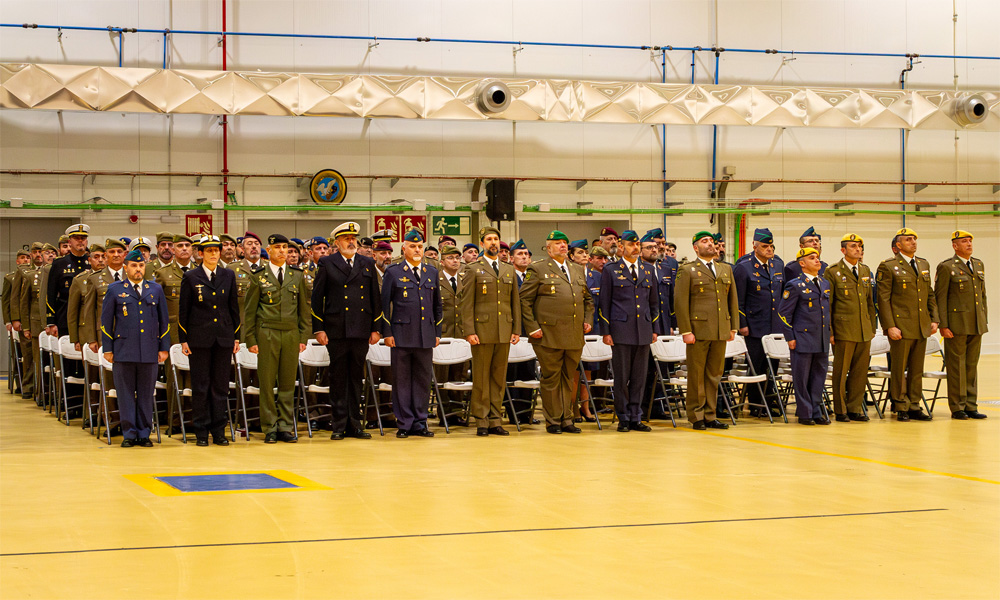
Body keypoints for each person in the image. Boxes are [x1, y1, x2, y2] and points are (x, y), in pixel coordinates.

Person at [519, 230, 595, 434]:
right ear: (548, 247)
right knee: (551, 378)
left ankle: (567, 419)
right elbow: (524, 300)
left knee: (568, 377)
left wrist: (587, 320)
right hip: (547, 333)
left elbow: (588, 300)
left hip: (573, 334)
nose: (562, 246)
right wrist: (532, 327)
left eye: (565, 243)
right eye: (558, 243)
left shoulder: (577, 269)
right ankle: (553, 420)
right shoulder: (538, 269)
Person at [311, 222, 381, 440]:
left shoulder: (367, 263)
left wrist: (376, 328)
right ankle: (339, 424)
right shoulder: (326, 263)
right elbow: (317, 299)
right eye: (346, 238)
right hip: (337, 329)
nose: (351, 242)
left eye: (354, 238)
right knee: (339, 378)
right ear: (337, 242)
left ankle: (355, 424)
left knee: (356, 379)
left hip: (360, 329)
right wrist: (318, 329)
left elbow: (374, 298)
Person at [243, 234, 310, 443]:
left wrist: (303, 336)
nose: (282, 251)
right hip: (267, 333)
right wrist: (251, 340)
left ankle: (285, 427)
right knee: (267, 382)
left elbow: (304, 310)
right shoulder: (258, 275)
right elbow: (250, 311)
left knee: (288, 383)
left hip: (290, 333)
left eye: (285, 248)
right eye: (277, 247)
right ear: (269, 250)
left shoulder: (297, 275)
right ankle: (269, 427)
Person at [100, 249, 170, 447]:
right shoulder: (115, 289)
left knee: (146, 394)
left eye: (140, 265)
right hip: (124, 350)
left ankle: (144, 433)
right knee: (126, 394)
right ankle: (129, 434)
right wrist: (108, 348)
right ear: (126, 268)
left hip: (149, 349)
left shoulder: (155, 289)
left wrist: (163, 347)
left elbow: (164, 321)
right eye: (133, 265)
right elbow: (106, 322)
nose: (138, 269)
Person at [458, 226, 521, 436]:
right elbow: (465, 303)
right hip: (482, 331)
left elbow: (515, 303)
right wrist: (469, 330)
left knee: (498, 377)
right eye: (489, 239)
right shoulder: (473, 268)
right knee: (482, 377)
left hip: (504, 330)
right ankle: (482, 420)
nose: (493, 242)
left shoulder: (508, 269)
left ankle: (496, 419)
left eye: (496, 239)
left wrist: (516, 329)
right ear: (482, 243)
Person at [179, 236, 241, 446]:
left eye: (216, 250)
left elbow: (233, 308)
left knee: (221, 387)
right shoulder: (191, 276)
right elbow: (184, 310)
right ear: (201, 253)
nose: (214, 254)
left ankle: (219, 430)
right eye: (209, 251)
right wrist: (184, 339)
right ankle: (202, 431)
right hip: (199, 339)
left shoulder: (228, 275)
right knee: (201, 386)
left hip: (223, 338)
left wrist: (236, 336)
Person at [380, 229, 442, 438]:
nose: (417, 249)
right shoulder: (393, 271)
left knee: (422, 381)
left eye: (420, 246)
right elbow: (384, 304)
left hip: (425, 335)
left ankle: (420, 422)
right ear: (404, 248)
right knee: (402, 381)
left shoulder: (431, 272)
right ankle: (404, 423)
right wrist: (387, 333)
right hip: (401, 335)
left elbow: (437, 305)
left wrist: (437, 331)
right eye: (413, 246)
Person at [674, 231, 737, 430]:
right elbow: (681, 302)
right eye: (704, 241)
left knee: (714, 375)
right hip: (698, 330)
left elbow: (732, 300)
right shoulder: (688, 270)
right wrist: (685, 330)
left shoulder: (725, 269)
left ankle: (710, 415)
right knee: (696, 374)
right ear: (695, 247)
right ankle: (696, 415)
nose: (710, 244)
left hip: (720, 329)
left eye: (711, 241)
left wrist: (732, 325)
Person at [597, 230, 660, 432]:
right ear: (622, 247)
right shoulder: (611, 269)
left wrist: (654, 328)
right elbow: (604, 303)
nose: (636, 248)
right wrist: (606, 331)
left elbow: (654, 303)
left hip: (643, 330)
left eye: (638, 244)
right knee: (622, 378)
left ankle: (636, 417)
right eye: (631, 245)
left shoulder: (648, 269)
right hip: (620, 330)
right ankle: (623, 417)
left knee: (639, 378)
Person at [876, 228, 938, 421]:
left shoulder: (923, 263)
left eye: (914, 239)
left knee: (916, 369)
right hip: (900, 326)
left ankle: (914, 404)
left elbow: (929, 293)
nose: (913, 242)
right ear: (898, 245)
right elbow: (883, 299)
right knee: (899, 368)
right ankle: (900, 405)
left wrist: (934, 318)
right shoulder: (888, 266)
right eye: (908, 239)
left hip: (921, 325)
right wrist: (889, 326)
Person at [934, 230, 988, 420]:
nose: (969, 244)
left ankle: (971, 405)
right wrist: (943, 325)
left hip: (976, 324)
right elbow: (940, 298)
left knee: (971, 367)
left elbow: (982, 296)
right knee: (956, 367)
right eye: (964, 241)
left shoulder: (978, 264)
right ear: (955, 246)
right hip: (956, 325)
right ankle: (958, 407)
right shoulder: (947, 266)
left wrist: (983, 319)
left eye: (970, 241)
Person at [824, 233, 877, 422]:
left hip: (863, 329)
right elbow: (828, 304)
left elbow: (870, 302)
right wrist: (830, 331)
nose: (858, 249)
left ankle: (855, 408)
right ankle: (840, 410)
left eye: (859, 246)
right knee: (841, 371)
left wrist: (872, 327)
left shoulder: (865, 270)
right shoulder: (833, 271)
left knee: (859, 372)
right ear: (843, 250)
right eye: (853, 246)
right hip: (843, 329)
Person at [733, 228, 785, 417]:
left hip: (774, 325)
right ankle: (756, 404)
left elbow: (781, 296)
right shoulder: (744, 266)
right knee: (756, 367)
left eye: (771, 246)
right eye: (765, 246)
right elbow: (738, 299)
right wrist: (742, 324)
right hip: (754, 326)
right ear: (754, 246)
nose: (769, 249)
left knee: (773, 366)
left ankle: (770, 401)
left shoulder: (777, 265)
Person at [779, 248, 833, 425]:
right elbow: (783, 314)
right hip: (802, 339)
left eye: (817, 257)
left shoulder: (824, 284)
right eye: (812, 258)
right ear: (802, 263)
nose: (817, 261)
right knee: (802, 378)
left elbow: (827, 312)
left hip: (821, 338)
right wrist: (790, 337)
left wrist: (830, 333)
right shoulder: (795, 285)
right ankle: (805, 413)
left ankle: (816, 412)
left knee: (818, 377)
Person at [46, 224, 91, 338]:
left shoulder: (92, 263)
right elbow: (51, 293)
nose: (80, 241)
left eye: (83, 238)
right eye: (76, 238)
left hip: (89, 317)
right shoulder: (59, 264)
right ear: (70, 242)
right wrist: (51, 321)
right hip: (64, 316)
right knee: (67, 354)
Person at [67, 243, 105, 349]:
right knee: (90, 365)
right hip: (86, 334)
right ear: (89, 259)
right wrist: (75, 339)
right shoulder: (79, 280)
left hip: (106, 332)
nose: (100, 260)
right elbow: (72, 312)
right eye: (96, 257)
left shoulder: (113, 279)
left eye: (103, 256)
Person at [229, 231, 264, 326]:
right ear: (242, 249)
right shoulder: (232, 269)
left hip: (265, 325)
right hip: (242, 323)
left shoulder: (269, 268)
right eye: (249, 244)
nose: (254, 246)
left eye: (257, 244)